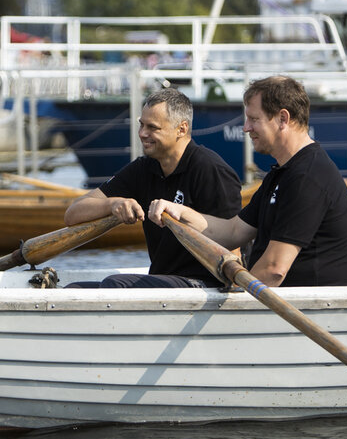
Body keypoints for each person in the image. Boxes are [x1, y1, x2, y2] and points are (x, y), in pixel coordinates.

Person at [149, 76, 347, 287]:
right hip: (282, 305)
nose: (246, 127)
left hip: (315, 308)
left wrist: (233, 305)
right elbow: (233, 231)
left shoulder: (308, 176)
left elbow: (274, 269)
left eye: (254, 119)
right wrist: (179, 212)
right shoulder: (283, 173)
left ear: (283, 119)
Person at [64, 87, 242, 288]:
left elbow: (235, 248)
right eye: (141, 125)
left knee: (115, 284)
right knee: (74, 289)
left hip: (206, 284)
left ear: (181, 129)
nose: (142, 133)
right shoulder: (144, 168)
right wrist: (112, 204)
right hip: (166, 281)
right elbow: (73, 215)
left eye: (153, 128)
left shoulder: (210, 170)